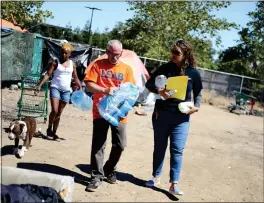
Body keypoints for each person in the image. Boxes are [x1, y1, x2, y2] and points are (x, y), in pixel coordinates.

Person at [145, 39, 203, 195]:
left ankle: (174, 184)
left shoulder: (193, 73)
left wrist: (196, 107)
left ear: (185, 54)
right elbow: (149, 84)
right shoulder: (164, 68)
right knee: (159, 148)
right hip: (161, 115)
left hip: (181, 118)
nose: (173, 55)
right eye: (172, 51)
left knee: (177, 150)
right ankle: (155, 177)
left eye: (176, 52)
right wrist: (159, 91)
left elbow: (198, 94)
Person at [84, 40, 135, 192]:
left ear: (121, 52)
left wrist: (126, 106)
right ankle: (96, 177)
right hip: (101, 111)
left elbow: (131, 91)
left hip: (119, 114)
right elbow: (88, 85)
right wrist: (105, 90)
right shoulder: (98, 65)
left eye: (117, 54)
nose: (114, 57)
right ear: (107, 51)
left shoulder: (127, 69)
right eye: (111, 53)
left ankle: (109, 168)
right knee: (98, 145)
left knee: (120, 144)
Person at [36, 42, 82, 140]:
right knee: (55, 110)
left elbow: (75, 77)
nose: (63, 55)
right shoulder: (55, 62)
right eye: (62, 52)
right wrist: (40, 85)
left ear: (70, 54)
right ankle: (49, 128)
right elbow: (48, 75)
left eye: (66, 53)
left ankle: (54, 132)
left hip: (66, 91)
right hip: (55, 88)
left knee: (59, 113)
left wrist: (80, 87)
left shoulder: (72, 64)